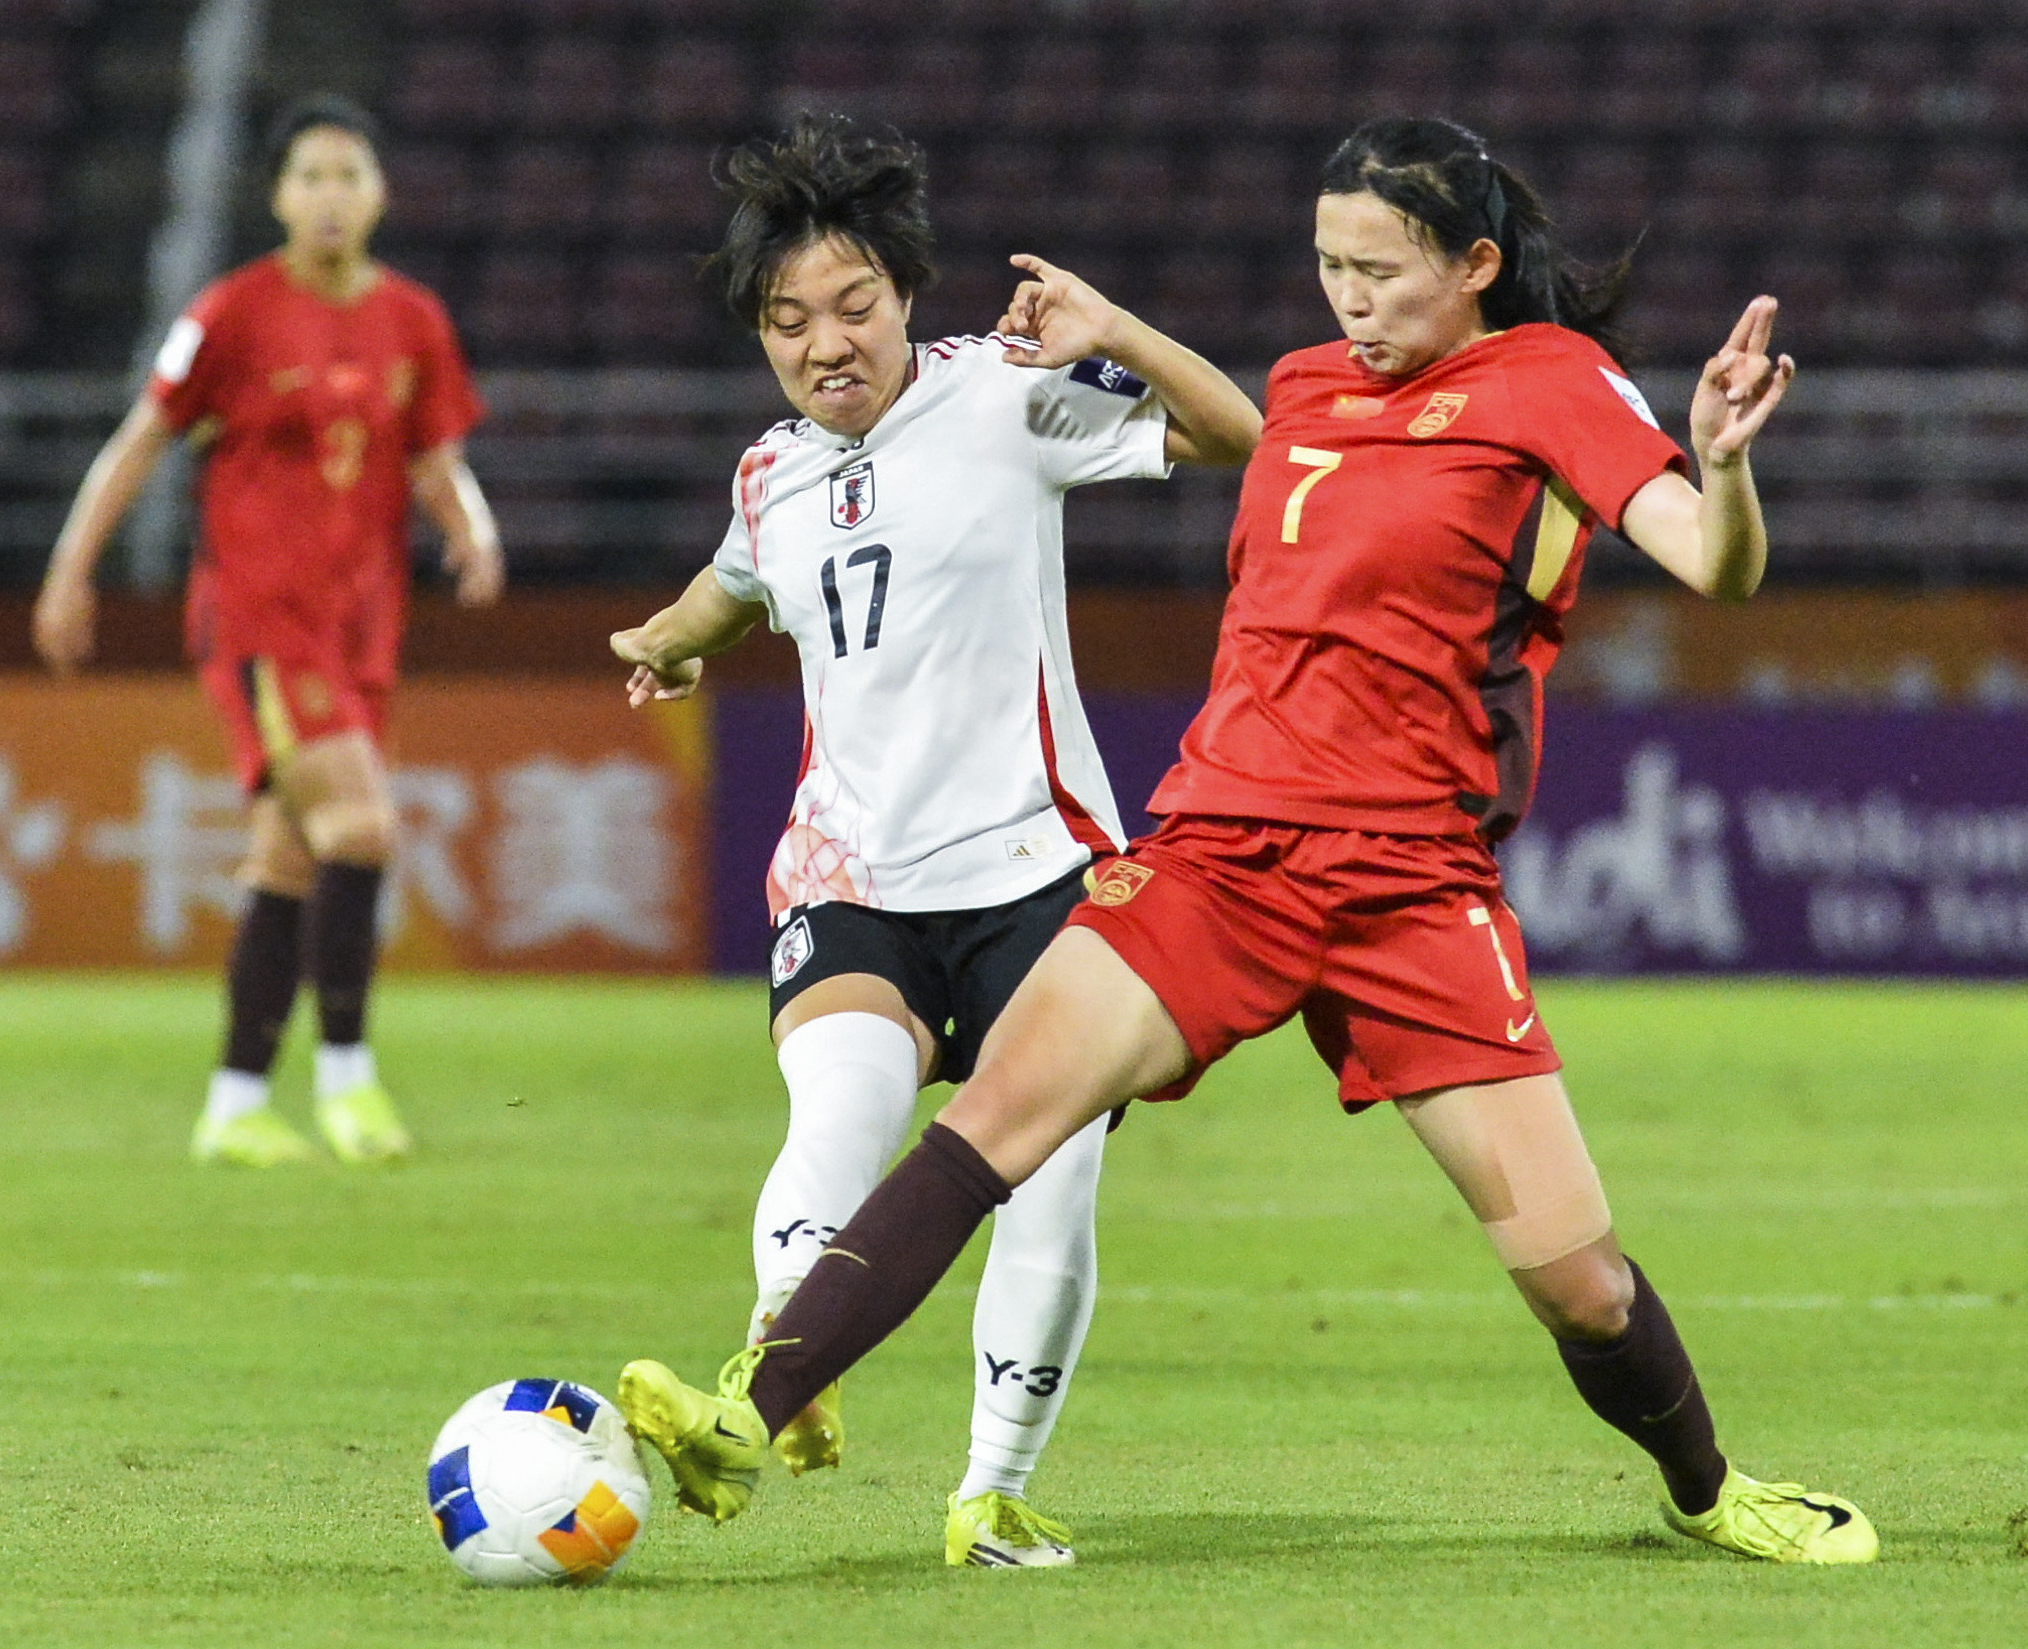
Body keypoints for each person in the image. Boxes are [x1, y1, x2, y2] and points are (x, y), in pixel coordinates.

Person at [615, 117, 1879, 1567]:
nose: (1349, 299)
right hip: (1218, 853)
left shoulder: (1549, 381)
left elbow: (1713, 565)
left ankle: (1708, 1489)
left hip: (1410, 885)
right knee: (994, 1119)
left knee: (1578, 1282)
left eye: (1379, 271)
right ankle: (749, 1412)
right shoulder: (1305, 385)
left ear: (1473, 264)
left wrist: (1720, 464)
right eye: (1330, 266)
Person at [608, 114, 1260, 1566]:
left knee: (1051, 1177)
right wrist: (670, 637)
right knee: (835, 1115)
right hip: (853, 879)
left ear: (905, 295)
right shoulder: (769, 473)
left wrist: (1114, 330)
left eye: (852, 305)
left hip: (1041, 875)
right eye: (788, 322)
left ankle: (990, 1490)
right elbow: (734, 585)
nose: (824, 343)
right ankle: (777, 1376)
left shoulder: (1006, 396)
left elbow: (1238, 436)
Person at [32, 94, 502, 1168]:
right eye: (310, 176)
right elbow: (140, 441)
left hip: (362, 625)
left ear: (379, 193)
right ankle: (348, 1081)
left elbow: (434, 456)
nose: (330, 195)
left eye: (349, 174)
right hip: (259, 619)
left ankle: (235, 1101)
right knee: (362, 829)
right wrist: (70, 568)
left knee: (289, 858)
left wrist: (472, 530)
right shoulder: (233, 312)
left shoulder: (412, 319)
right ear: (280, 196)